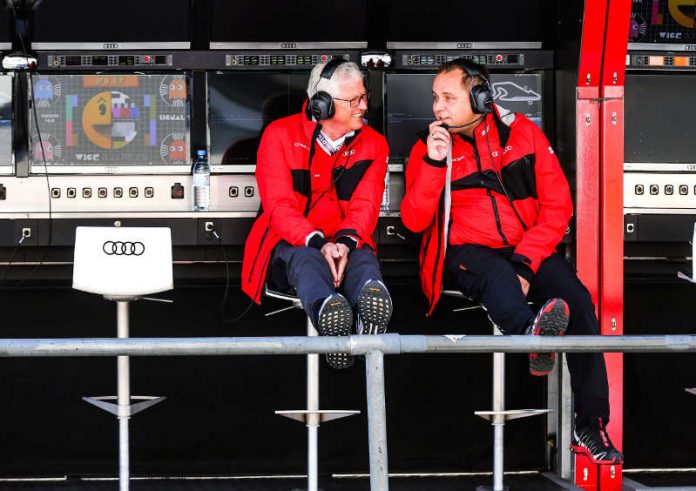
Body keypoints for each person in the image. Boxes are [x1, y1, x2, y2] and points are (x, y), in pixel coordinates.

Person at [400, 58, 623, 464]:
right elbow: (414, 221)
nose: (438, 108)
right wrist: (435, 163)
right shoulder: (426, 146)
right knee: (499, 276)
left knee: (578, 299)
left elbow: (559, 208)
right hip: (462, 255)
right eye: (435, 98)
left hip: (526, 249)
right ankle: (532, 337)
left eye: (448, 97)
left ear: (481, 96)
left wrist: (526, 263)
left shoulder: (522, 134)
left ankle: (589, 422)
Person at [242, 58, 392, 369]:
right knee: (307, 259)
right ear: (321, 105)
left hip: (347, 243)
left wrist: (345, 245)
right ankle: (329, 314)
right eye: (354, 100)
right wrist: (320, 243)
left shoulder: (375, 145)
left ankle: (369, 305)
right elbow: (279, 207)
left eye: (364, 97)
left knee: (363, 259)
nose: (363, 106)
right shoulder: (279, 135)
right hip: (289, 245)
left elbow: (366, 205)